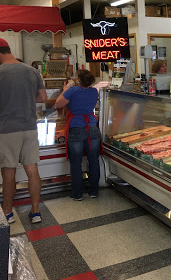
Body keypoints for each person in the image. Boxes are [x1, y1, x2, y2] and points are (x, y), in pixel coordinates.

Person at [0, 38, 47, 224]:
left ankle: (8, 213)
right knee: (32, 169)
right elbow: (42, 97)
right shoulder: (32, 70)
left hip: (7, 129)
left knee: (8, 171)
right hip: (30, 127)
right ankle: (36, 212)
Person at [55, 70, 101, 201]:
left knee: (76, 163)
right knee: (93, 161)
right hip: (92, 128)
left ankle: (77, 193)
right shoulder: (93, 91)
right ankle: (94, 191)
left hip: (75, 128)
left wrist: (65, 89)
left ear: (79, 80)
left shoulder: (72, 91)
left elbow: (58, 103)